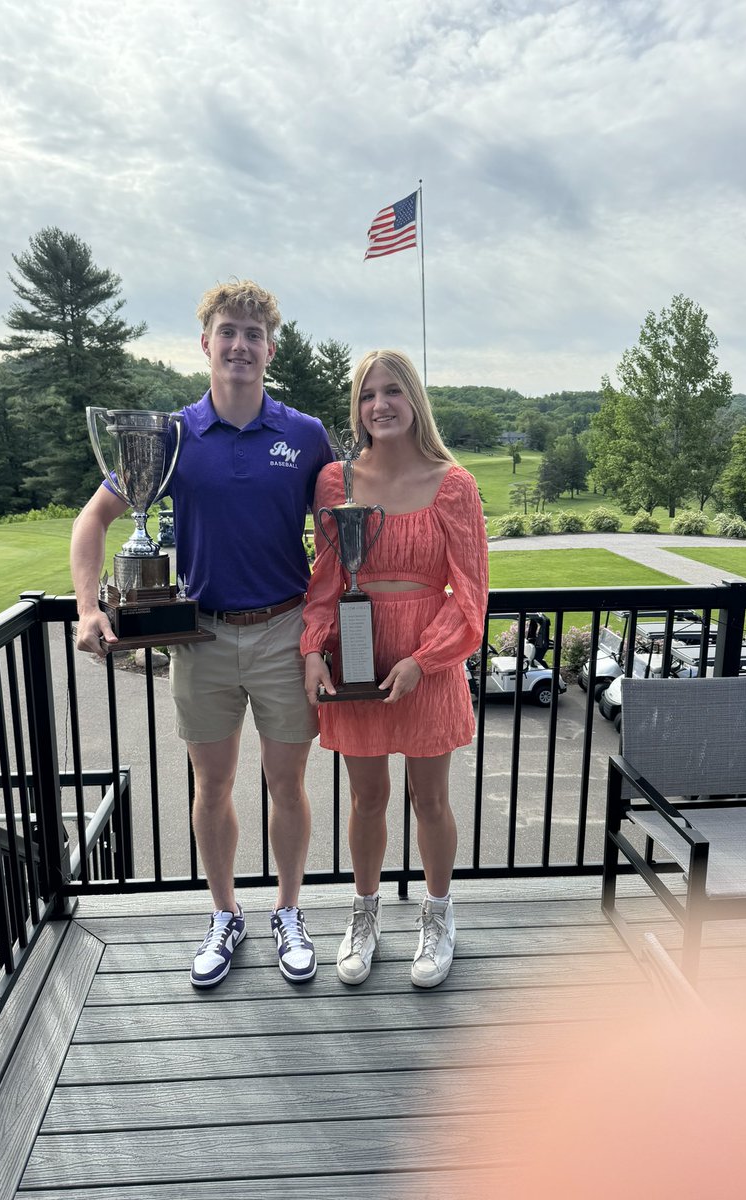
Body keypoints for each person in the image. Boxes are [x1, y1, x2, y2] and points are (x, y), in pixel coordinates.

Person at [70, 280, 333, 988]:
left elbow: (345, 531)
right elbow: (90, 521)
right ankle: (224, 915)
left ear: (270, 349)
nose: (241, 345)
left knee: (287, 783)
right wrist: (90, 608)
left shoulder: (305, 435)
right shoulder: (171, 436)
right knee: (212, 784)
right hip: (201, 637)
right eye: (229, 331)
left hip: (284, 631)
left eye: (254, 334)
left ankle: (287, 911)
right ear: (206, 343)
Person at [301, 349, 488, 988]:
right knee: (367, 798)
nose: (379, 404)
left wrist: (424, 659)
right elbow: (325, 581)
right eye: (366, 394)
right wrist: (311, 649)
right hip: (356, 655)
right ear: (357, 408)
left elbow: (470, 593)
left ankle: (438, 916)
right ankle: (364, 915)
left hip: (426, 662)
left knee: (430, 800)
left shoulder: (454, 483)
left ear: (414, 402)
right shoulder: (337, 481)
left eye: (392, 392)